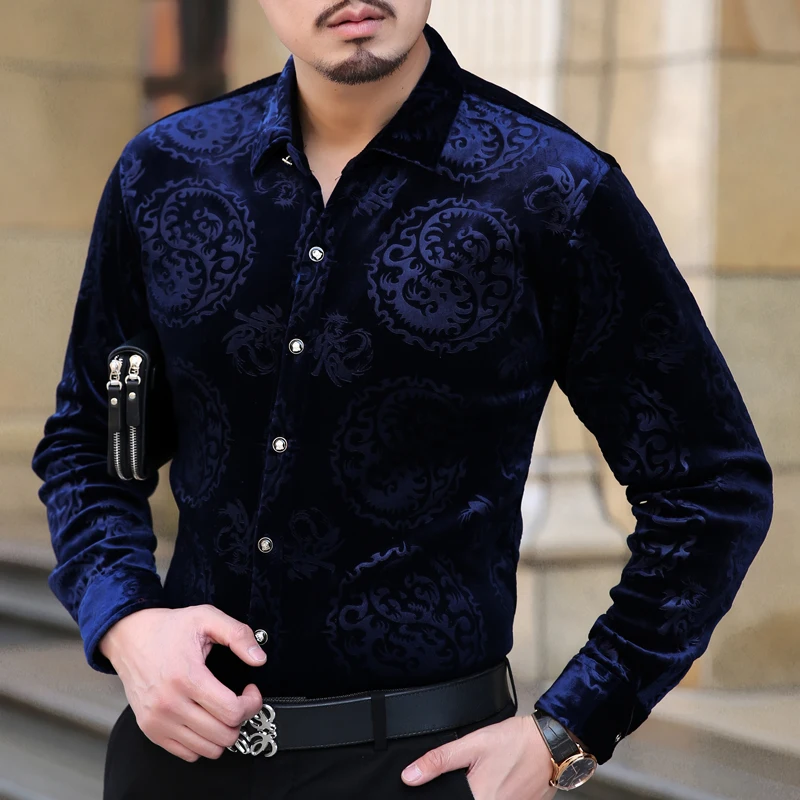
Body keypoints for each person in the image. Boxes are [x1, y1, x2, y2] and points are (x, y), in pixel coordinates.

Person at [31, 1, 773, 798]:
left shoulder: (553, 188)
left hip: (423, 771)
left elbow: (710, 486)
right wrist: (125, 618)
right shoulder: (163, 171)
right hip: (176, 766)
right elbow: (88, 442)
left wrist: (571, 727)